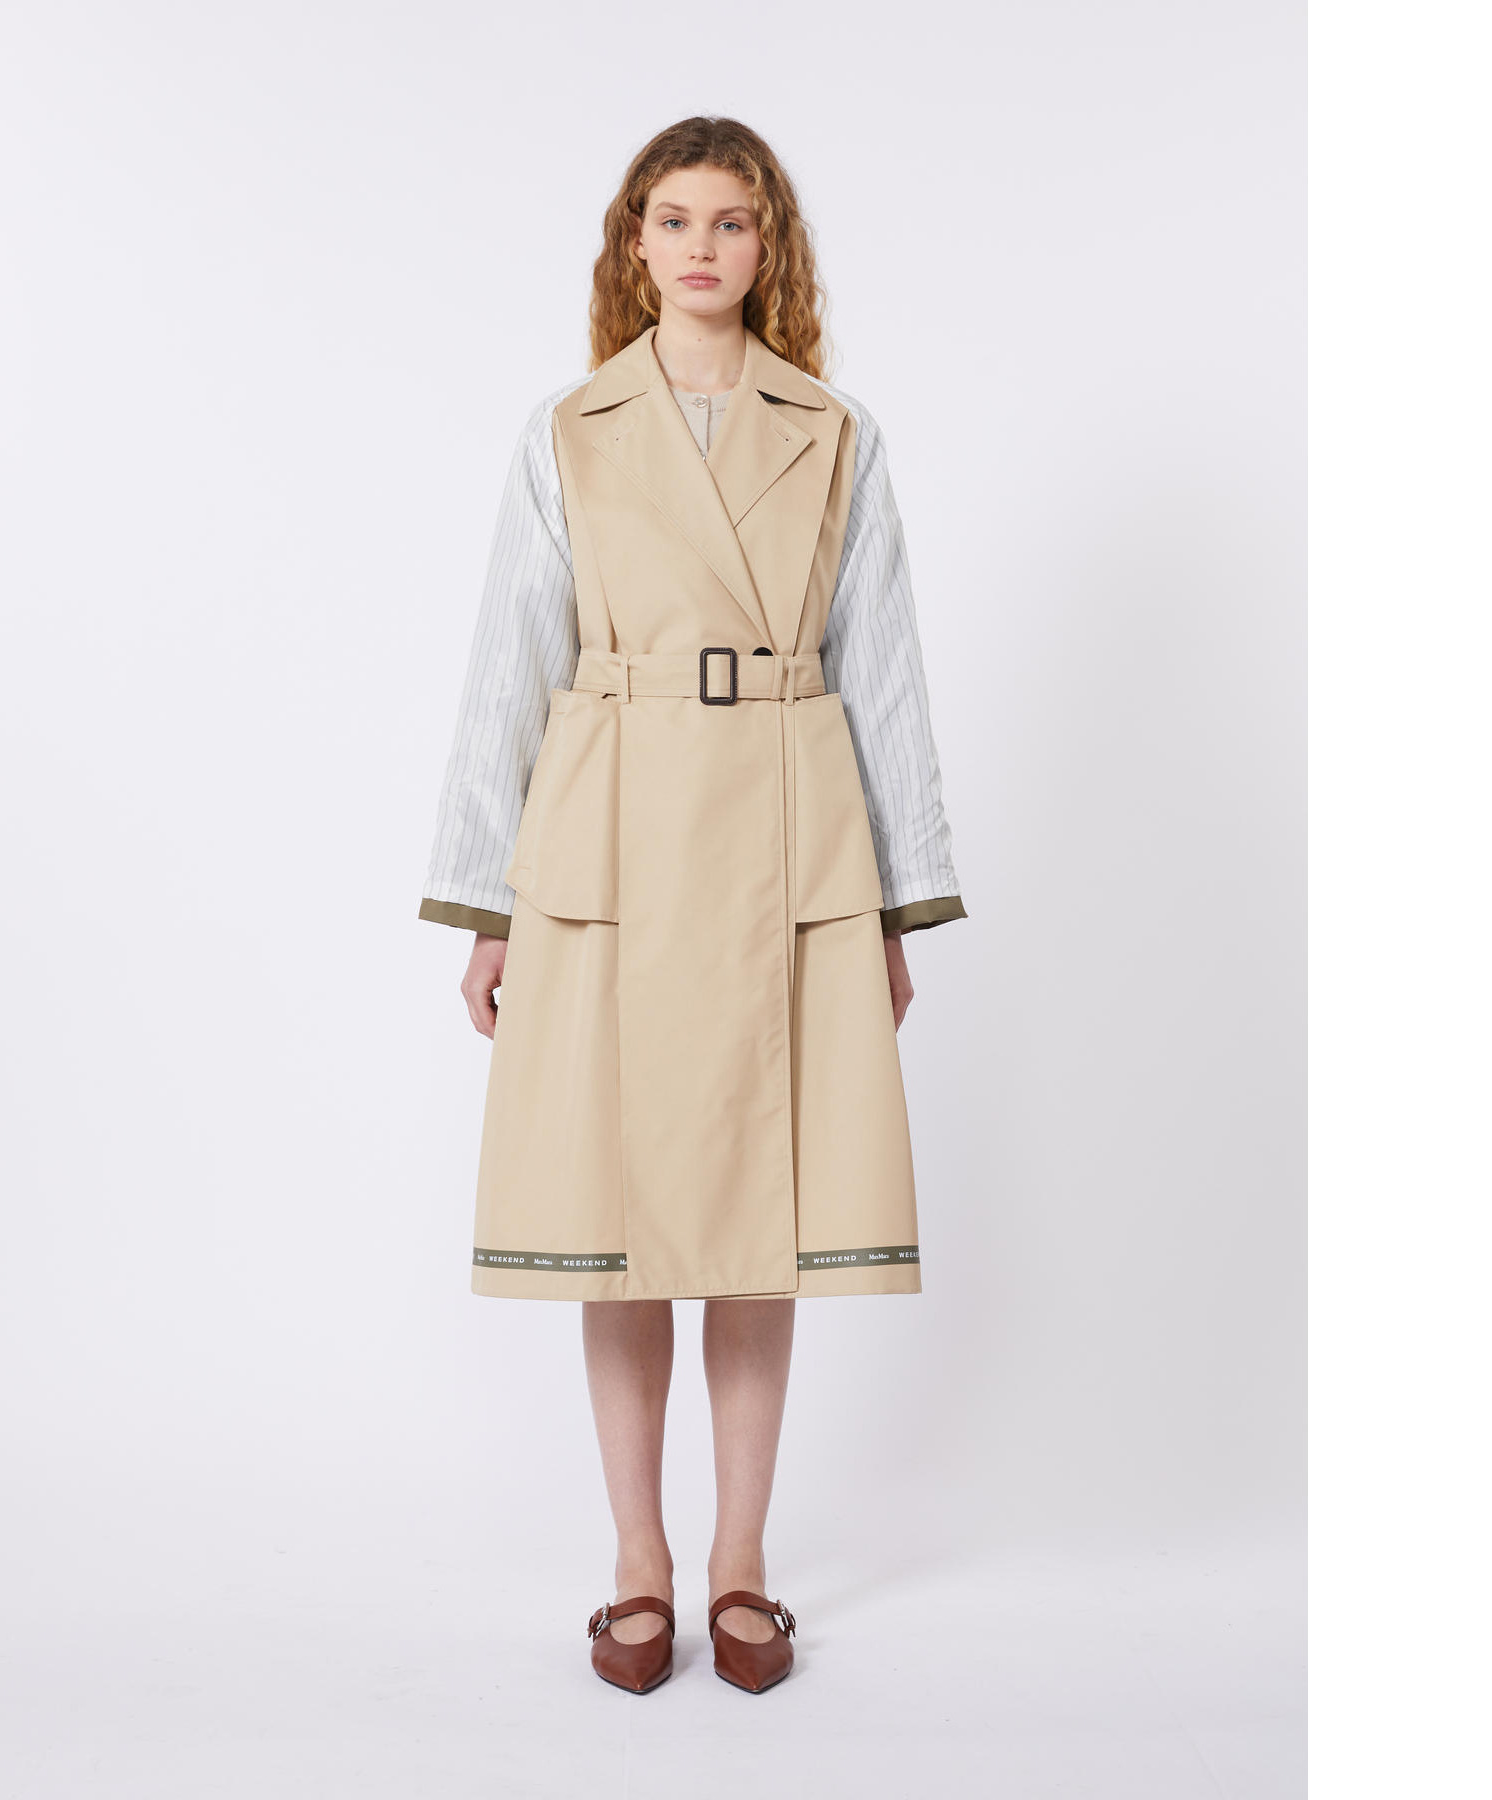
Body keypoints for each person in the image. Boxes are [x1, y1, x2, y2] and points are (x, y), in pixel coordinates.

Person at [417, 116, 967, 1695]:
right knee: (619, 1230)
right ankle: (636, 1564)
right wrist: (490, 905)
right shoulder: (571, 431)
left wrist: (890, 907)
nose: (703, 247)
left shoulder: (836, 434)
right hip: (611, 845)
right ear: (634, 243)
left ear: (768, 244)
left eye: (733, 221)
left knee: (753, 1226)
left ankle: (740, 1562)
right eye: (675, 220)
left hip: (785, 839)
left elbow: (886, 673)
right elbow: (511, 663)